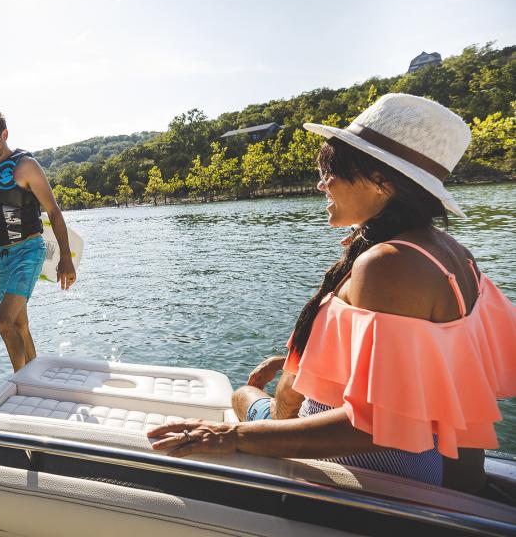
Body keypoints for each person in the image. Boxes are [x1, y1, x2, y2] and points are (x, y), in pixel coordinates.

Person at [148, 93, 516, 491]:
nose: (322, 184)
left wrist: (228, 437)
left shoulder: (389, 262)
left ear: (382, 182)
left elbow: (378, 426)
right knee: (256, 394)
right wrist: (311, 360)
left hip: (389, 469)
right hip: (436, 459)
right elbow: (431, 365)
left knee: (243, 394)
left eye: (331, 172)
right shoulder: (451, 253)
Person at [0, 111, 77, 372]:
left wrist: (66, 258)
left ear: (4, 135)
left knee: (3, 321)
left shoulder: (25, 165)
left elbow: (53, 211)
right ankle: (35, 378)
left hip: (28, 251)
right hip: (3, 256)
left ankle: (21, 382)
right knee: (19, 324)